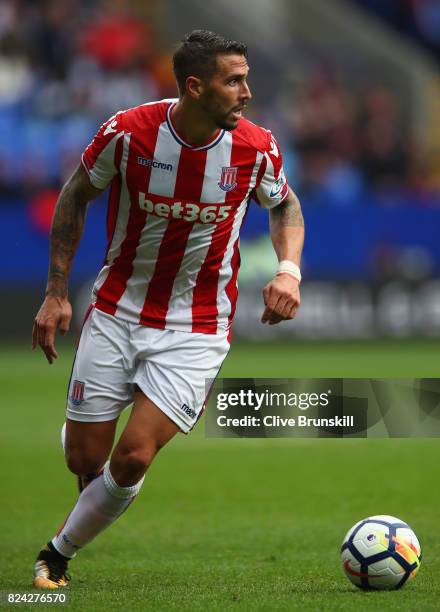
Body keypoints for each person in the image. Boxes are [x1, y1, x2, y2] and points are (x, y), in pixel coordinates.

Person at [31, 30, 304, 589]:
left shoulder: (256, 148)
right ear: (195, 86)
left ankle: (55, 556)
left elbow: (285, 205)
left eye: (246, 79)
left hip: (198, 325)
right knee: (86, 459)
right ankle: (95, 462)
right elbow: (76, 195)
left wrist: (287, 271)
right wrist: (57, 291)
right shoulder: (128, 134)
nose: (247, 92)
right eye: (234, 81)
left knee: (132, 458)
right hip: (116, 310)